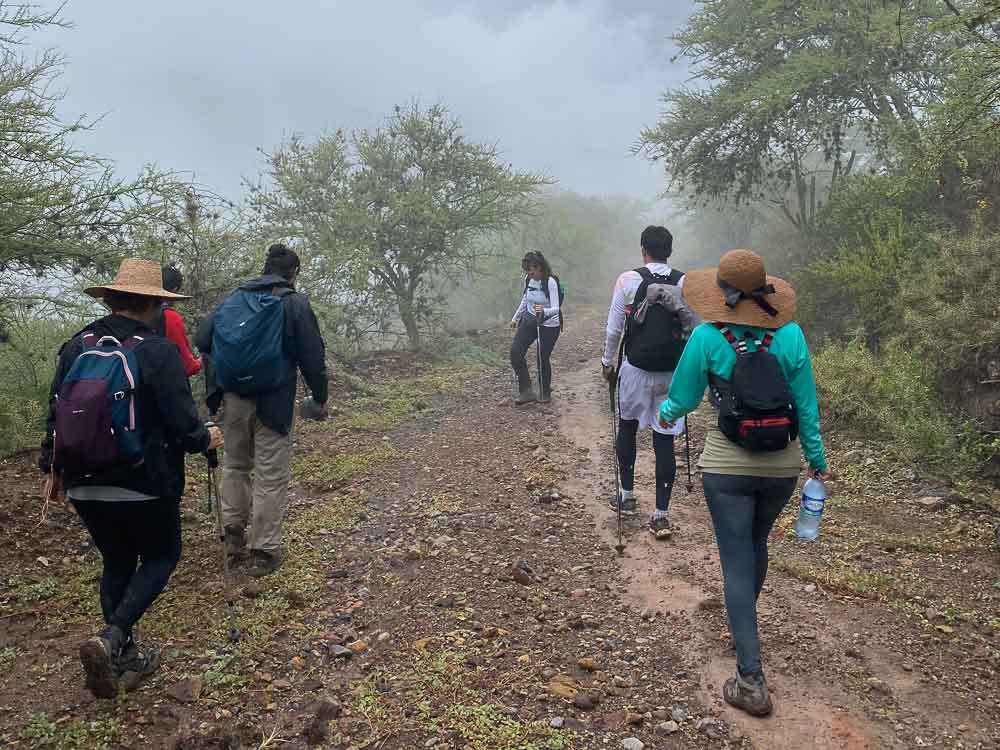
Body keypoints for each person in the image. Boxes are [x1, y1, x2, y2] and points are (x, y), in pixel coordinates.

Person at [38, 258, 223, 699]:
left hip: (83, 478)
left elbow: (56, 410)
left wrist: (52, 466)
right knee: (161, 555)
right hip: (144, 479)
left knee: (117, 559)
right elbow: (182, 422)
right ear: (152, 304)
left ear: (112, 299)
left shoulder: (77, 345)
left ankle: (121, 659)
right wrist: (206, 439)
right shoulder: (155, 350)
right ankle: (113, 636)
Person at [658, 249, 830, 717]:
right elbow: (807, 404)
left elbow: (684, 398)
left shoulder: (708, 337)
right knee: (756, 545)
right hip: (783, 465)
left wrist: (665, 414)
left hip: (728, 466)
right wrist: (816, 458)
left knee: (735, 559)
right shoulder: (790, 335)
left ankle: (750, 678)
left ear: (722, 294)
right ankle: (743, 623)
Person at [196, 243, 328, 578]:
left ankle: (232, 537)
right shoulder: (294, 303)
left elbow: (203, 337)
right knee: (271, 474)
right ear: (293, 273)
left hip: (235, 399)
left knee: (236, 467)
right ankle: (264, 550)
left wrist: (219, 386)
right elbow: (312, 355)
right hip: (275, 400)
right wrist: (320, 396)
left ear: (264, 267)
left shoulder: (234, 299)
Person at [601, 225, 698, 539]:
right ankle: (660, 515)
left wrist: (607, 362)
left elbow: (615, 328)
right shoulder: (684, 282)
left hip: (635, 370)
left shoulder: (628, 280)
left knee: (627, 427)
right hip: (672, 373)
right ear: (670, 250)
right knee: (664, 440)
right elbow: (694, 329)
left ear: (643, 248)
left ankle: (627, 496)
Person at [509, 251, 561, 404]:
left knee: (541, 357)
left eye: (531, 270)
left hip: (549, 323)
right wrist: (515, 318)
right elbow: (526, 299)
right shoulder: (529, 280)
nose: (529, 273)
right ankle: (526, 391)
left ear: (540, 268)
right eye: (527, 270)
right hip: (530, 320)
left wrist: (543, 311)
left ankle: (545, 391)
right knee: (515, 353)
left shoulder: (550, 282)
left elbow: (556, 308)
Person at [158, 266, 202, 377]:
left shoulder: (135, 313)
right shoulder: (170, 317)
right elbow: (187, 366)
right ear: (175, 290)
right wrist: (203, 360)